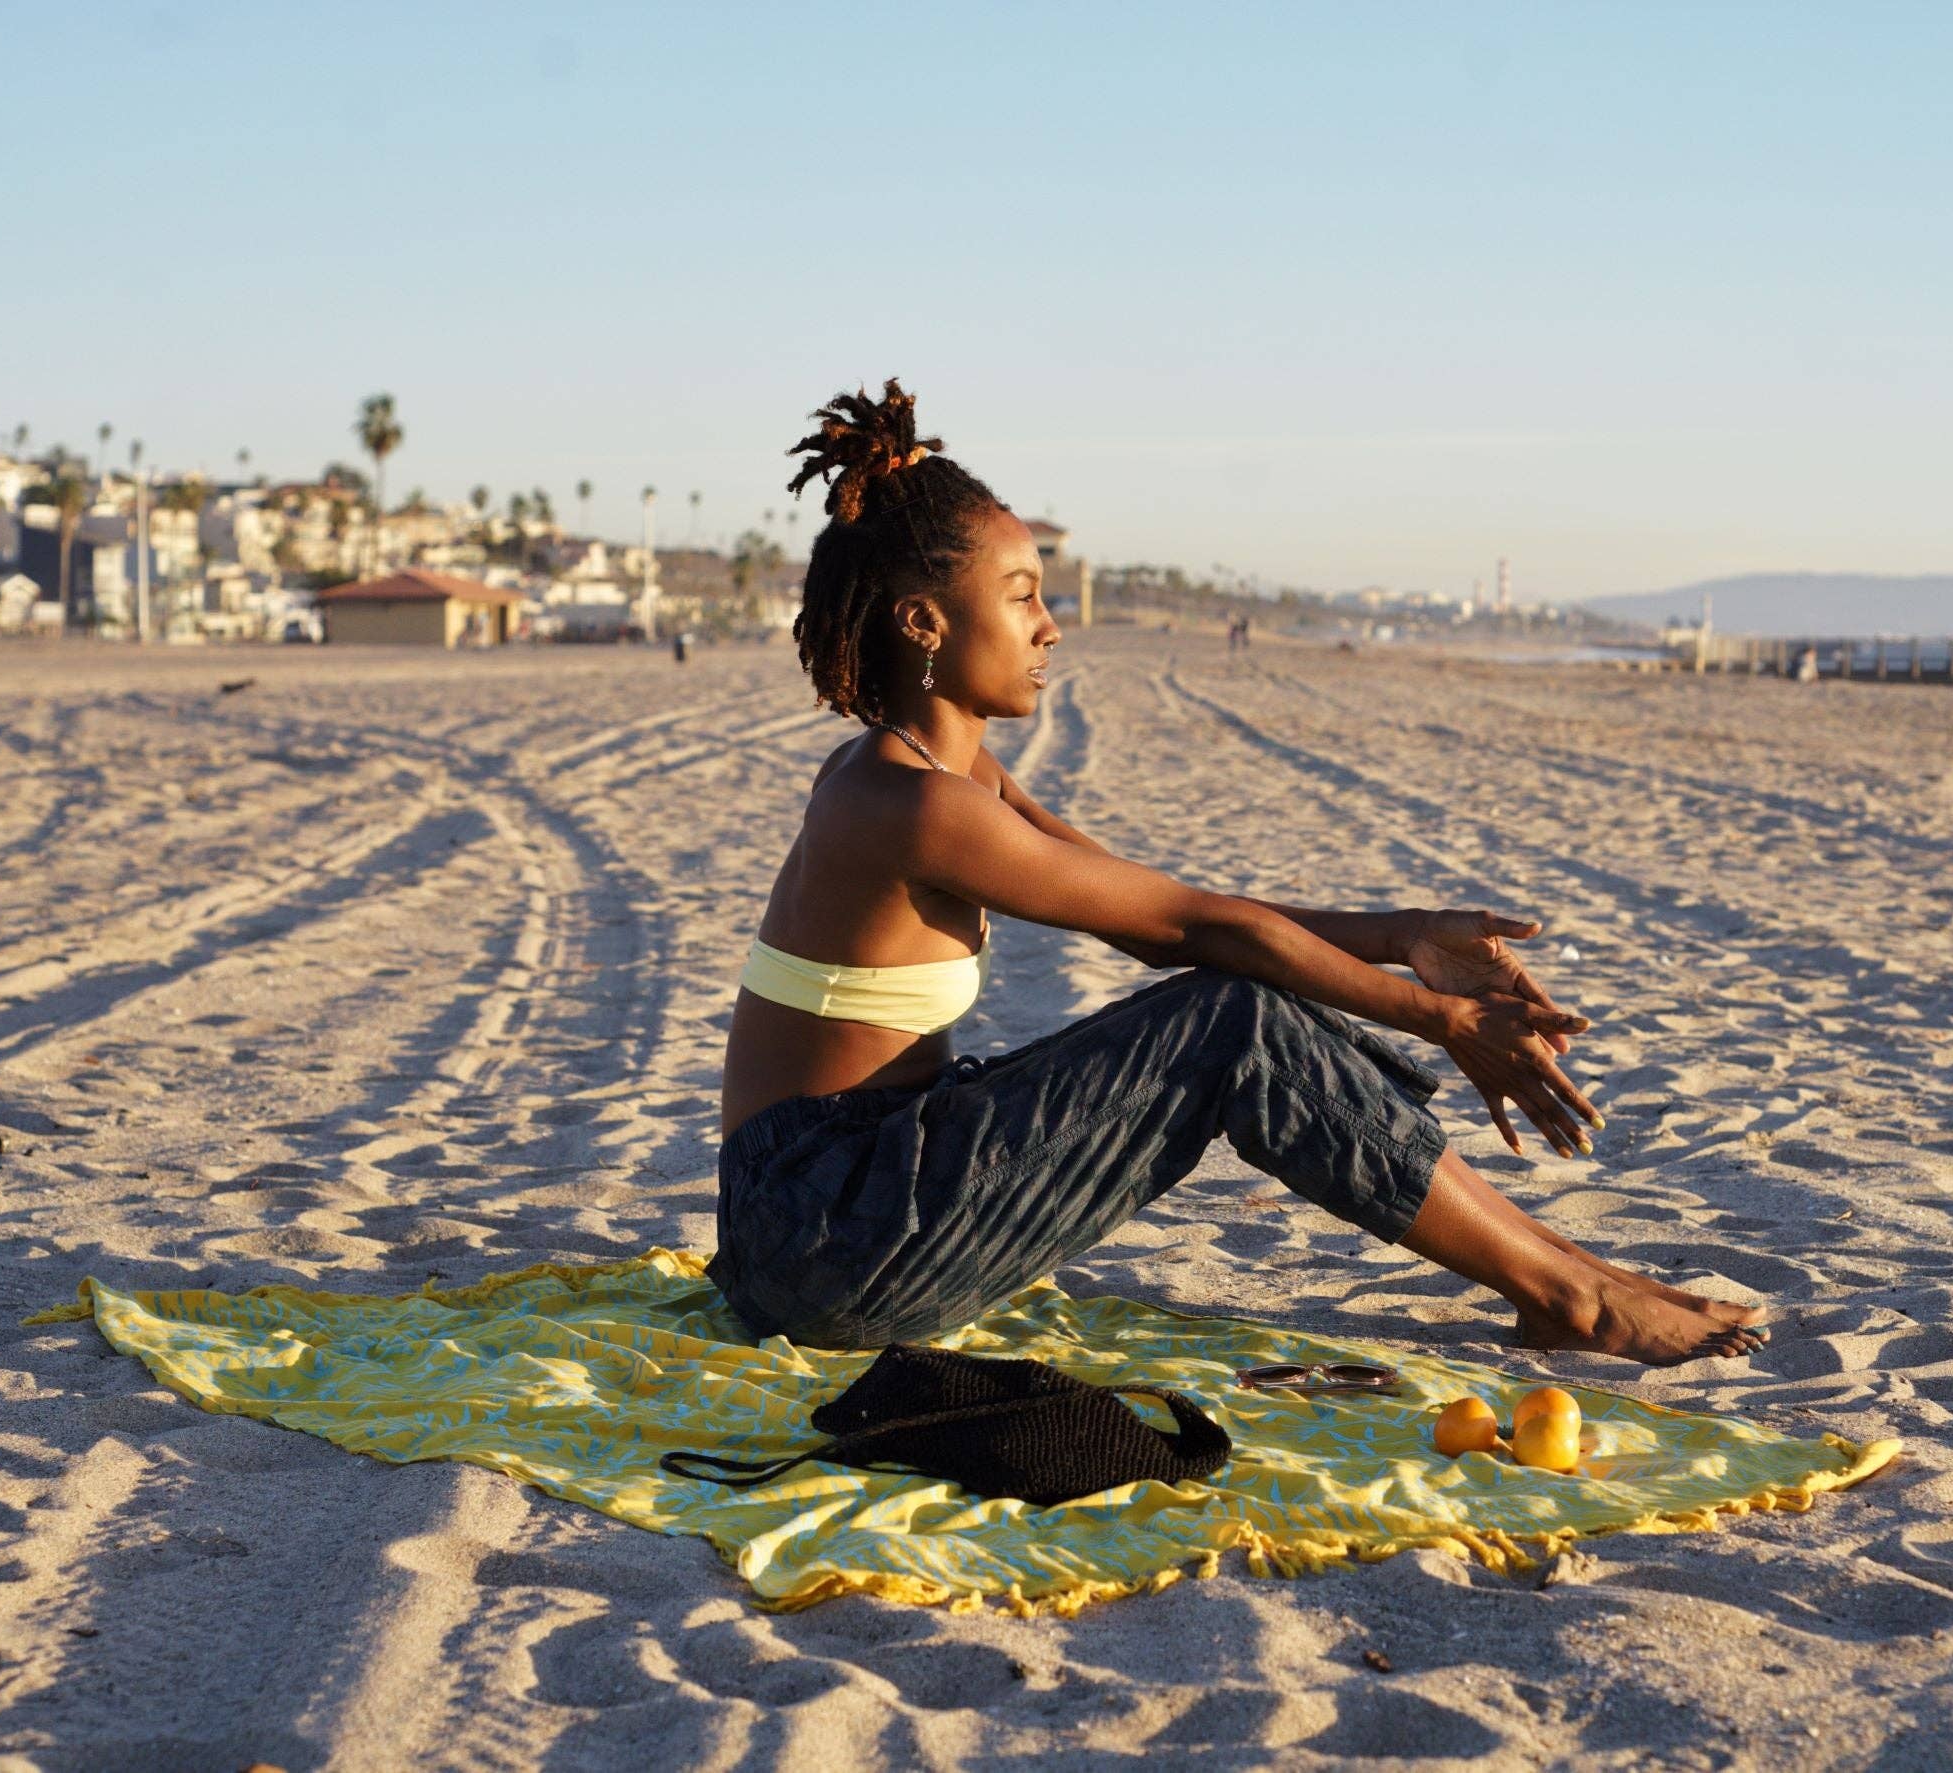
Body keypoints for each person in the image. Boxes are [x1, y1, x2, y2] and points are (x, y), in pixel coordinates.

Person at [711, 381, 1766, 1366]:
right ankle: (1566, 1295)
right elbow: (1190, 933)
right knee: (1229, 1020)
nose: (1050, 624)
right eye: (1021, 595)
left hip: (864, 1188)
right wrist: (1435, 1019)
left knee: (1238, 1004)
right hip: (824, 1231)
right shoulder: (908, 803)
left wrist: (1402, 935)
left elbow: (1164, 910)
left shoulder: (952, 773)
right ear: (923, 621)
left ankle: (1570, 1276)